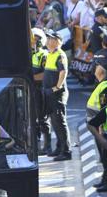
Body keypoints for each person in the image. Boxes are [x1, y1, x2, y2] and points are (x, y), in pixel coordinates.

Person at [86, 58, 107, 192]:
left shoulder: (106, 87)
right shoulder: (103, 84)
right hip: (98, 128)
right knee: (104, 157)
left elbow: (105, 110)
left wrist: (102, 130)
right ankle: (105, 180)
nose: (95, 69)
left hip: (102, 129)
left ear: (103, 71)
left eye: (97, 66)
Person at [42, 29, 71, 161]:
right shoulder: (50, 54)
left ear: (57, 41)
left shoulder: (60, 54)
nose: (47, 41)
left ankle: (66, 151)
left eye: (50, 39)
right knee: (55, 122)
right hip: (50, 93)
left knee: (60, 121)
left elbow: (63, 72)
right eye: (47, 39)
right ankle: (59, 148)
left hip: (57, 94)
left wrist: (56, 88)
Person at [30, 28, 51, 155]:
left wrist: (29, 78)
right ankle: (35, 145)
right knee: (31, 118)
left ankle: (47, 145)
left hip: (40, 89)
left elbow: (45, 75)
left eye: (35, 39)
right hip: (30, 89)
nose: (32, 42)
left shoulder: (44, 55)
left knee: (42, 118)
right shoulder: (28, 54)